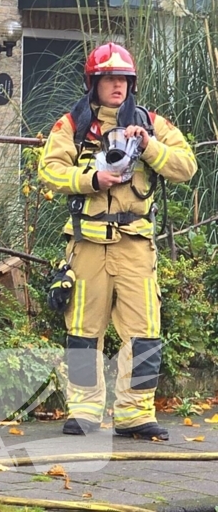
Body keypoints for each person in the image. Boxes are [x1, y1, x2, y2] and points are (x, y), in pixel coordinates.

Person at [38, 43, 196, 441]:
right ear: (93, 82)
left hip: (135, 246)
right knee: (82, 330)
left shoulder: (150, 123)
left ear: (132, 83)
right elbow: (50, 170)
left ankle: (134, 414)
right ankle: (85, 411)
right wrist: (91, 179)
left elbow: (186, 166)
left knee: (144, 330)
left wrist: (148, 146)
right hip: (87, 246)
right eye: (109, 78)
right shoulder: (72, 125)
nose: (117, 85)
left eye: (123, 79)